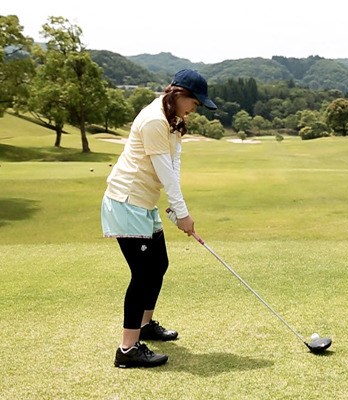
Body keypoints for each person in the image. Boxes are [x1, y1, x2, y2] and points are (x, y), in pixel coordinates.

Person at [101, 69, 217, 368]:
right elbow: (164, 170)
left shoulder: (172, 119)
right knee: (142, 275)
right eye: (195, 101)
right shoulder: (154, 119)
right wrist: (183, 213)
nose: (196, 107)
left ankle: (145, 326)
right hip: (127, 202)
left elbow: (173, 163)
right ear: (179, 95)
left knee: (159, 264)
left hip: (145, 203)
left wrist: (176, 208)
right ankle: (127, 350)